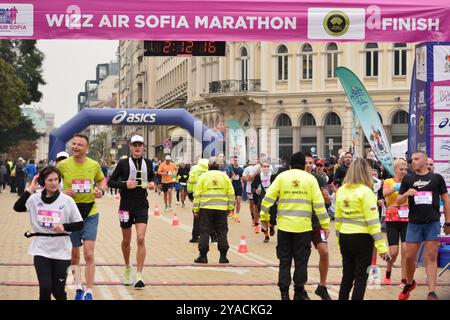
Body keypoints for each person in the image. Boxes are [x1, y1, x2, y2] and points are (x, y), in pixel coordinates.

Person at [259, 152, 330, 300]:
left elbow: (267, 200)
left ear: (290, 164)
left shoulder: (281, 177)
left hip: (284, 228)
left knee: (284, 261)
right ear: (304, 164)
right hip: (303, 229)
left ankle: (284, 293)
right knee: (301, 261)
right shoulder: (310, 180)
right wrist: (325, 224)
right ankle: (298, 292)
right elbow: (319, 205)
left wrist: (264, 219)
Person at [13, 166, 83, 300]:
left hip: (61, 250)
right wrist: (30, 189)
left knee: (58, 292)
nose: (54, 183)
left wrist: (64, 226)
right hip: (41, 249)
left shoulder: (67, 200)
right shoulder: (35, 199)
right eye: (50, 180)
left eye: (56, 179)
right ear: (42, 182)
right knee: (45, 288)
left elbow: (79, 223)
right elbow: (18, 207)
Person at [57, 133, 107, 300]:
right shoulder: (63, 165)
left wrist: (101, 190)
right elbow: (50, 182)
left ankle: (90, 291)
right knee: (75, 255)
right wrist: (61, 191)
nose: (75, 147)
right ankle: (78, 286)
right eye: (74, 144)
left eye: (79, 144)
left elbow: (102, 180)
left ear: (86, 148)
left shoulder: (93, 165)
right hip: (71, 214)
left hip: (90, 212)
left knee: (89, 254)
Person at [397, 151, 450, 300]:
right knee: (409, 257)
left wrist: (448, 222)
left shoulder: (436, 178)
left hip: (432, 223)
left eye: (416, 159)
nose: (412, 161)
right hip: (414, 223)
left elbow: (446, 200)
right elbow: (399, 201)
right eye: (411, 159)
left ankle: (431, 292)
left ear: (425, 161)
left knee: (431, 256)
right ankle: (409, 282)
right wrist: (407, 193)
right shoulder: (408, 178)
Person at [335, 158, 389, 300]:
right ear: (366, 172)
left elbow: (338, 218)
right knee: (360, 278)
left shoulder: (341, 190)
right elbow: (373, 223)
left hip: (345, 237)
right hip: (362, 239)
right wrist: (382, 248)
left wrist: (338, 238)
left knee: (347, 276)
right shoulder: (366, 192)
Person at [108, 135, 155, 289]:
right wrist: (124, 184)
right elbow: (110, 181)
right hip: (125, 205)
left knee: (141, 238)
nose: (137, 147)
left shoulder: (148, 163)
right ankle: (128, 267)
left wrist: (153, 183)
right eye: (134, 145)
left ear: (143, 147)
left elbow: (153, 178)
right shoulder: (122, 163)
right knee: (126, 240)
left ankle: (139, 275)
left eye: (139, 145)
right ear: (130, 147)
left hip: (142, 204)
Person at [193, 159, 235, 264]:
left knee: (204, 231)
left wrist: (196, 209)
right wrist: (230, 208)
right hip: (221, 209)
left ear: (208, 166)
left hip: (206, 209)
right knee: (222, 231)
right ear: (218, 166)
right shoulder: (224, 176)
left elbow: (197, 194)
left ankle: (203, 256)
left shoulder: (203, 177)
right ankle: (223, 257)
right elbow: (231, 193)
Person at [304, 153, 332, 300]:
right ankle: (300, 287)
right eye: (306, 162)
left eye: (311, 163)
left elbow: (326, 203)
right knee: (302, 256)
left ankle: (322, 286)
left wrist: (327, 199)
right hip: (300, 224)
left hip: (317, 222)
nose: (309, 165)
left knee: (324, 251)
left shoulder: (319, 178)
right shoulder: (296, 179)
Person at [382, 159, 409, 286]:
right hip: (392, 219)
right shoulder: (388, 181)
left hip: (406, 219)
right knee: (393, 252)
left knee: (405, 250)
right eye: (401, 169)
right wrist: (395, 187)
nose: (403, 171)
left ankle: (404, 279)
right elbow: (384, 193)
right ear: (395, 170)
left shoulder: (409, 182)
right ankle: (388, 273)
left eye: (405, 169)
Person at [251, 160, 277, 242]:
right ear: (261, 167)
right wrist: (255, 190)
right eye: (264, 166)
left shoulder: (273, 176)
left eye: (267, 166)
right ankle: (266, 236)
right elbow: (253, 186)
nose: (266, 168)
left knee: (272, 219)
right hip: (261, 201)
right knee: (263, 218)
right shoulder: (258, 176)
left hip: (272, 201)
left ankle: (272, 226)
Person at [187, 158, 210, 243]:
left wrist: (189, 193)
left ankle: (195, 236)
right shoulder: (209, 169)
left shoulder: (195, 169)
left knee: (196, 215)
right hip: (208, 195)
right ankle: (211, 236)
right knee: (208, 216)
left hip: (197, 195)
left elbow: (190, 181)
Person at [243, 157, 261, 233]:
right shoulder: (248, 168)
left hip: (259, 189)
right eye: (254, 159)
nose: (255, 160)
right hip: (250, 188)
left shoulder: (263, 167)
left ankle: (258, 219)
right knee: (252, 204)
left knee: (258, 205)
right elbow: (243, 179)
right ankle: (253, 218)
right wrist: (252, 176)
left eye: (257, 159)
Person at [227, 156, 244, 222]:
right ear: (233, 161)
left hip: (239, 187)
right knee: (232, 201)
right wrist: (231, 178)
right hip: (232, 187)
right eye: (235, 160)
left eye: (237, 160)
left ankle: (237, 215)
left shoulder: (241, 170)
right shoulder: (230, 169)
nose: (236, 161)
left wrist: (242, 180)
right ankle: (232, 213)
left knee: (238, 201)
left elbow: (243, 178)